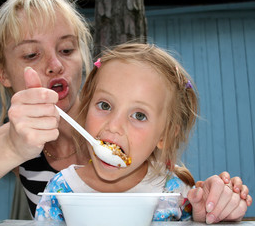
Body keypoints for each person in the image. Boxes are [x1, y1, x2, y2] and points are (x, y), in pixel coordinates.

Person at [0, 0, 251, 219]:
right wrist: (11, 148)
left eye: (67, 49)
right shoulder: (14, 136)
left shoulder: (121, 125)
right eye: (32, 54)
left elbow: (173, 192)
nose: (54, 64)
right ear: (3, 72)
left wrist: (211, 198)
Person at [35, 43, 249, 223]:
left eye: (139, 116)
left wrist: (209, 213)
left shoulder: (175, 193)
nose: (114, 126)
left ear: (165, 135)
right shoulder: (61, 189)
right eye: (105, 105)